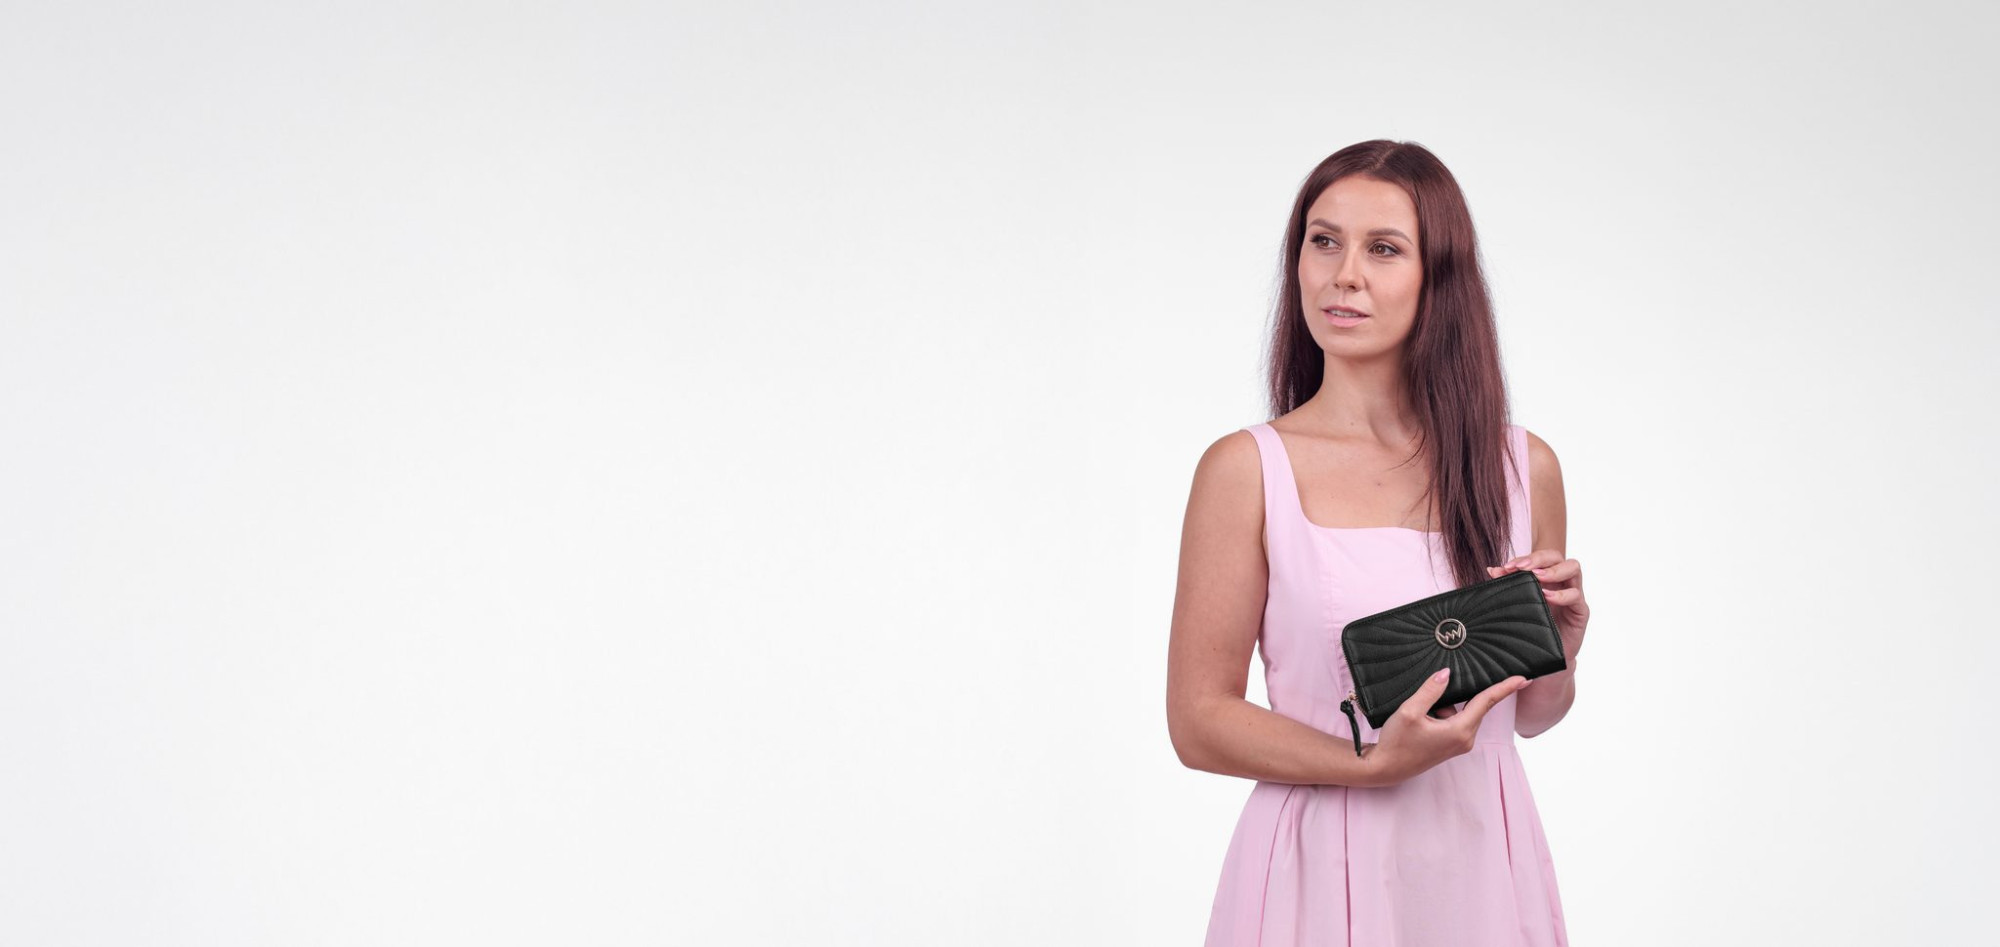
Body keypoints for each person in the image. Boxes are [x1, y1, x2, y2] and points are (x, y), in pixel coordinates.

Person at [1165, 139, 1591, 946]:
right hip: (1319, 867)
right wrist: (1370, 763)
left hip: (1482, 866)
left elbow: (1532, 715)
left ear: (1440, 277)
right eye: (1323, 241)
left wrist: (1561, 648)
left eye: (1384, 249)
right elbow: (1198, 719)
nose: (1344, 274)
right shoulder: (1246, 470)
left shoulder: (1522, 467)